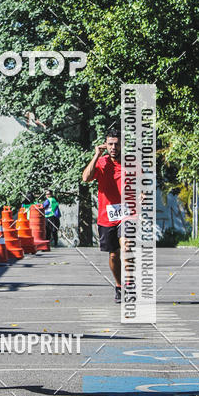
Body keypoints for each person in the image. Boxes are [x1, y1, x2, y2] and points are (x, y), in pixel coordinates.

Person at [81, 128, 128, 303]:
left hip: (127, 213)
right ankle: (119, 286)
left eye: (117, 144)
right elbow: (85, 178)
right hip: (107, 215)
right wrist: (96, 155)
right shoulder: (101, 162)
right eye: (110, 144)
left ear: (122, 145)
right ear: (105, 145)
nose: (114, 147)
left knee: (127, 245)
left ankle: (130, 283)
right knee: (114, 254)